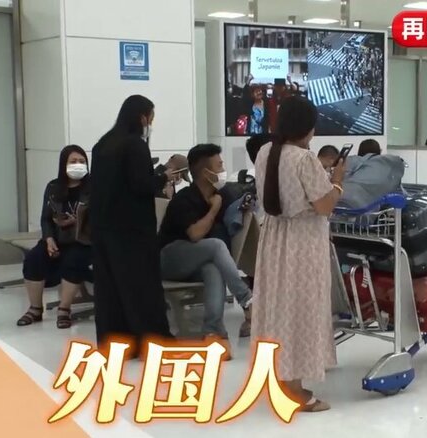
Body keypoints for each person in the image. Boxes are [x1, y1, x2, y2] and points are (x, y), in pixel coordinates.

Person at [252, 95, 346, 412]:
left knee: (278, 308)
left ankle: (278, 376)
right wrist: (338, 182)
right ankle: (295, 390)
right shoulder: (305, 159)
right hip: (302, 243)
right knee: (301, 310)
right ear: (308, 126)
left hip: (274, 239)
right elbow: (324, 205)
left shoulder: (266, 152)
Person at [89, 95, 175, 355]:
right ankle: (150, 340)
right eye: (151, 118)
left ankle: (116, 342)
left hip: (103, 229)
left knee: (110, 289)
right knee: (140, 287)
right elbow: (140, 185)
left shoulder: (103, 144)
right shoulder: (135, 145)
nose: (150, 124)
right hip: (133, 231)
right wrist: (162, 177)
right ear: (142, 117)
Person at [158, 144, 253, 359]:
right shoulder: (185, 199)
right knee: (215, 246)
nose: (223, 170)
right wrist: (214, 209)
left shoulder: (222, 195)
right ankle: (247, 299)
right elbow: (195, 234)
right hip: (169, 259)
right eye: (219, 166)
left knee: (213, 269)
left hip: (197, 263)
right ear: (205, 172)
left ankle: (213, 332)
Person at [16, 145, 92, 329]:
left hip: (83, 241)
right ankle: (35, 308)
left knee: (74, 260)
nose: (78, 165)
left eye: (82, 161)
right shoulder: (53, 187)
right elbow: (45, 218)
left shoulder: (94, 188)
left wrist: (76, 222)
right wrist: (49, 239)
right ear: (64, 164)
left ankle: (64, 309)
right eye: (73, 161)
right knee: (34, 258)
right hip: (57, 238)